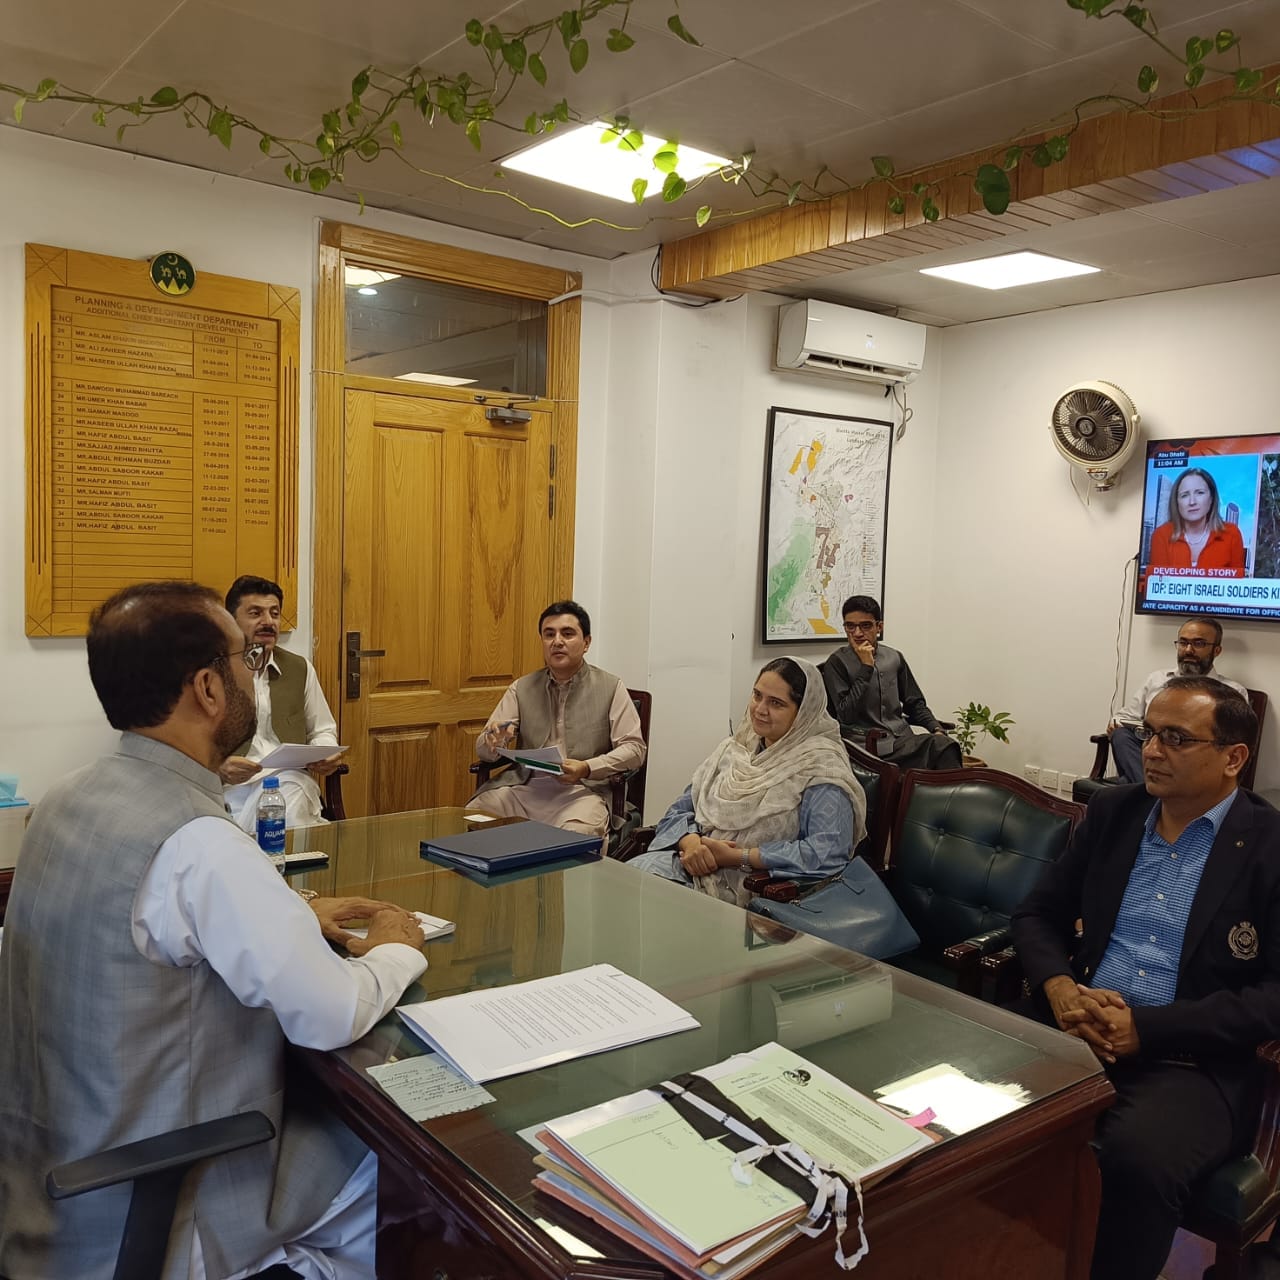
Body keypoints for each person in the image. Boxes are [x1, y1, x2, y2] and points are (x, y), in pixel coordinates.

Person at [0, 581, 429, 1280]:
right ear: (207, 687)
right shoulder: (198, 841)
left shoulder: (64, 797)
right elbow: (330, 1012)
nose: (252, 669)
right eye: (240, 656)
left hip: (43, 1187)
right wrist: (395, 951)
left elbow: (155, 929)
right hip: (162, 1197)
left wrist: (289, 916)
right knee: (408, 1173)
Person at [1011, 677, 1280, 1280]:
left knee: (1136, 1162)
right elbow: (1036, 914)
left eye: (1176, 738)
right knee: (976, 1111)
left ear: (1234, 758)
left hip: (1194, 1060)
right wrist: (1059, 988)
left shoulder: (1269, 847)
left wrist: (1147, 1028)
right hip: (1075, 1025)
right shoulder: (1114, 812)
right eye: (1148, 734)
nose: (1151, 751)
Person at [630, 657, 866, 905]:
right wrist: (690, 844)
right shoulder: (736, 749)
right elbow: (681, 809)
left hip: (757, 890)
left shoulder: (821, 768)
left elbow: (826, 853)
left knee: (649, 906)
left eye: (776, 703)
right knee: (623, 886)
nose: (760, 709)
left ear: (803, 713)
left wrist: (740, 857)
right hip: (691, 865)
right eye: (757, 695)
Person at [471, 600, 645, 838]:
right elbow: (484, 752)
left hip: (582, 791)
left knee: (575, 837)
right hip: (524, 787)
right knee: (473, 818)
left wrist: (587, 767)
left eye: (568, 633)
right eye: (549, 634)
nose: (557, 641)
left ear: (586, 643)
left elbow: (635, 749)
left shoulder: (610, 687)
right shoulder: (521, 688)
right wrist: (492, 741)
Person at [219, 573, 344, 833]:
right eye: (255, 613)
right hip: (230, 788)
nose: (268, 622)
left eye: (274, 613)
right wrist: (218, 769)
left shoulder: (299, 668)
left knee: (287, 797)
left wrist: (324, 753)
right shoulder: (210, 673)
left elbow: (322, 729)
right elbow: (181, 749)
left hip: (288, 781)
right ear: (230, 621)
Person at [822, 594, 962, 770]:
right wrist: (866, 668)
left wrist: (936, 729)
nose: (857, 633)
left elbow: (914, 702)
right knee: (940, 750)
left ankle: (942, 796)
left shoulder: (894, 657)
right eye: (850, 626)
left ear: (879, 626)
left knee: (945, 745)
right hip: (865, 746)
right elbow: (845, 715)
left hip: (902, 740)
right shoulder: (836, 663)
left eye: (865, 625)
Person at [1106, 616, 1248, 782]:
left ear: (1216, 650)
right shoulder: (1156, 680)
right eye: (1183, 642)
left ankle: (1142, 792)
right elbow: (1124, 718)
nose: (1188, 650)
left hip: (1193, 758)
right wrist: (1117, 724)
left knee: (1125, 785)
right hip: (1154, 753)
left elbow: (1235, 742)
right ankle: (1150, 794)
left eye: (1199, 643)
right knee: (1121, 735)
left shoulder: (1231, 692)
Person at [1147, 466, 1246, 575]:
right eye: (1184, 495)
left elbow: (1236, 586)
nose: (1192, 502)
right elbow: (1156, 587)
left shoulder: (1231, 534)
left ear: (1211, 498)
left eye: (1200, 493)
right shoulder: (1161, 535)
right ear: (1176, 502)